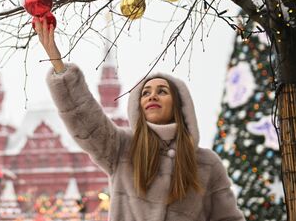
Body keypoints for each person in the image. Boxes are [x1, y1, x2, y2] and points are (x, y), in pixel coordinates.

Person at [34, 17, 244, 221]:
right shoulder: (122, 148)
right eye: (145, 93)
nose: (152, 96)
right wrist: (58, 63)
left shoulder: (206, 164)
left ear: (179, 104)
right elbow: (85, 119)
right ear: (139, 106)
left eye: (162, 91)